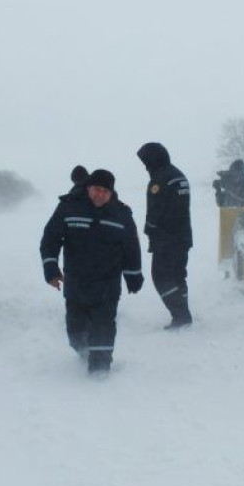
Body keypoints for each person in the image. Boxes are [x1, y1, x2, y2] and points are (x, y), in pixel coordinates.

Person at [40, 169, 143, 374]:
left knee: (103, 328)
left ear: (111, 193)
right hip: (76, 283)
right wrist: (51, 269)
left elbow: (131, 247)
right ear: (88, 188)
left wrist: (133, 276)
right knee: (76, 331)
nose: (100, 194)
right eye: (97, 189)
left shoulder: (121, 214)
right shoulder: (68, 207)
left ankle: (100, 372)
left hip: (107, 284)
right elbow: (50, 240)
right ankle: (85, 353)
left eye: (105, 191)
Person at [136, 142, 193, 329]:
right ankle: (183, 312)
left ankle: (180, 316)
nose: (144, 166)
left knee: (161, 277)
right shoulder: (178, 175)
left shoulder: (159, 180)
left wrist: (149, 229)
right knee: (177, 276)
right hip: (183, 236)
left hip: (167, 239)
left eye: (145, 161)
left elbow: (156, 211)